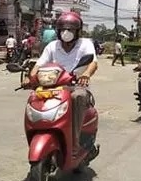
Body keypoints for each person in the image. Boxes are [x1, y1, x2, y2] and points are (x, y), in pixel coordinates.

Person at [27, 11, 98, 154]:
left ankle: (75, 142)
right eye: (63, 29)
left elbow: (93, 63)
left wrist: (86, 74)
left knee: (78, 97)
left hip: (76, 85)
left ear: (77, 31)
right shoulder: (52, 46)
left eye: (70, 29)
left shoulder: (85, 44)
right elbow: (39, 64)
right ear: (58, 31)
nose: (66, 32)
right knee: (34, 97)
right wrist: (30, 78)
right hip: (53, 86)